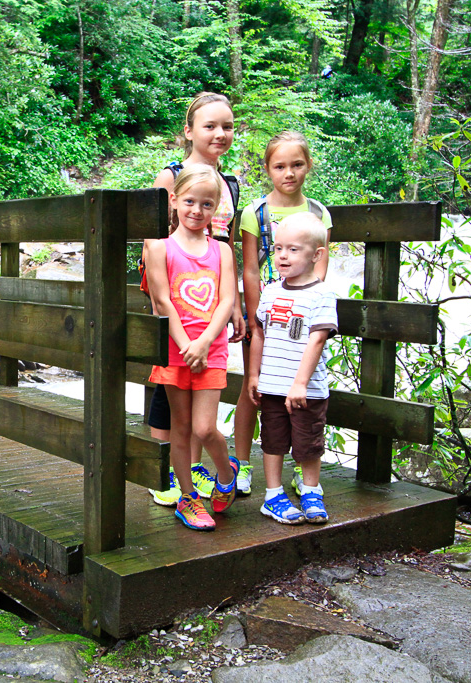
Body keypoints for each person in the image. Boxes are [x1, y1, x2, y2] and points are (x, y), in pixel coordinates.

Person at [146, 92, 247, 507]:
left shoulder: (230, 184)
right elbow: (150, 236)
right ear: (189, 131)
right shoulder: (172, 176)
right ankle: (165, 468)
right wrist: (157, 301)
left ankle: (197, 468)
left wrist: (235, 302)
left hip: (212, 294)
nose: (219, 133)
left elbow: (229, 243)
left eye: (227, 126)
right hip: (171, 289)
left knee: (199, 388)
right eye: (209, 125)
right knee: (166, 384)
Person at [237, 130, 332, 498]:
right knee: (256, 385)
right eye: (280, 166)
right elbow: (248, 268)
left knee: (302, 386)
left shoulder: (318, 213)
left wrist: (309, 303)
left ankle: (301, 469)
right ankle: (242, 463)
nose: (288, 173)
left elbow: (322, 264)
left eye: (297, 164)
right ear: (268, 169)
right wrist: (251, 315)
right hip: (265, 316)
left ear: (308, 166)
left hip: (304, 316)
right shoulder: (255, 213)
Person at [246, 212, 337, 524]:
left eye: (294, 249)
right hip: (272, 384)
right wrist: (254, 374)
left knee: (308, 442)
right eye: (279, 248)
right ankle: (273, 495)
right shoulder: (271, 291)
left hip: (306, 388)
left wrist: (299, 383)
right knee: (273, 440)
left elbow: (317, 339)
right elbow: (259, 332)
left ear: (317, 254)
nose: (283, 255)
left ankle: (311, 491)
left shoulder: (321, 293)